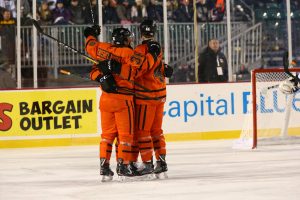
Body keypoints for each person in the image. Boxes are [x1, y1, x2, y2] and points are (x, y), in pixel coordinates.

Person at [84, 25, 160, 181]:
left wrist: (90, 34)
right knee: (126, 135)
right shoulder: (129, 53)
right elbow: (138, 71)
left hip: (105, 99)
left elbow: (90, 47)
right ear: (124, 39)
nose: (131, 40)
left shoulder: (102, 48)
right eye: (129, 38)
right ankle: (123, 166)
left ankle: (104, 167)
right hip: (123, 100)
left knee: (106, 135)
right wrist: (153, 54)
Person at [132, 19, 173, 178]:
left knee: (143, 131)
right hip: (160, 94)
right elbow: (159, 67)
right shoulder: (158, 47)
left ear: (140, 31)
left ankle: (147, 163)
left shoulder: (141, 48)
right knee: (157, 131)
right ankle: (161, 163)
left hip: (145, 96)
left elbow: (137, 71)